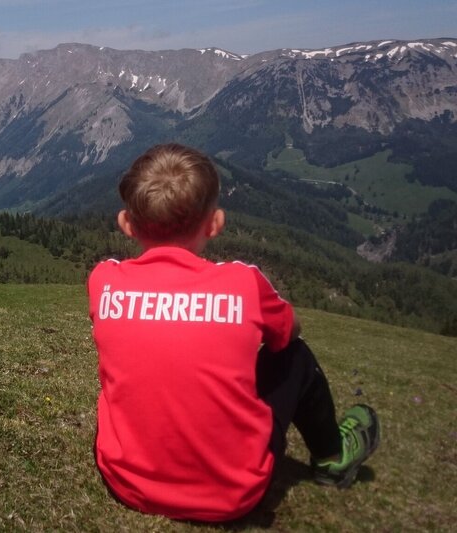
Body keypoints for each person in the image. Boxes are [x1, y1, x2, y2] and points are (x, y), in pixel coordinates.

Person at [87, 143, 379, 522]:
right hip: (233, 494)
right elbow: (288, 333)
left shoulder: (104, 280)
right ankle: (332, 457)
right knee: (295, 357)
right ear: (215, 223)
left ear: (126, 223)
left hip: (126, 483)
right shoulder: (245, 283)